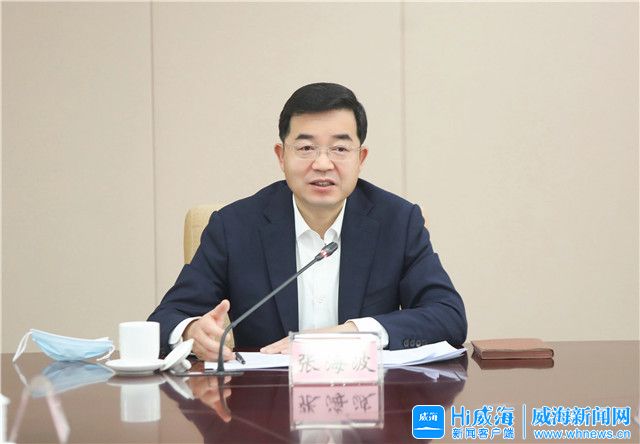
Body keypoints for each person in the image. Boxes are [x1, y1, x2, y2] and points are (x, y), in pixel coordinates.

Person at [148, 82, 467, 361]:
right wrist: (191, 331)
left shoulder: (398, 222)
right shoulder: (234, 227)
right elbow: (165, 319)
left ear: (361, 158)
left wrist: (353, 333)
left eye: (340, 148)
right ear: (281, 156)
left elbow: (449, 317)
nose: (323, 163)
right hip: (265, 403)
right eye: (306, 148)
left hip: (369, 402)